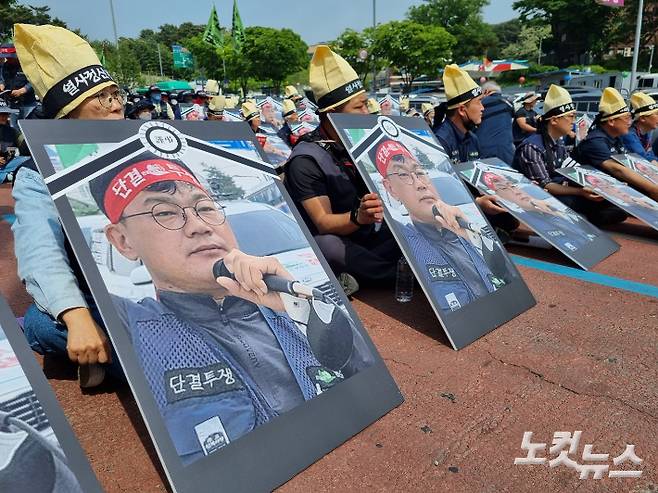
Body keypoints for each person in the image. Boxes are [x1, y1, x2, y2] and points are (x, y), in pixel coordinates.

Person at [87, 153, 373, 464]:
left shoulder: (290, 300)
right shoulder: (131, 326)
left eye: (206, 208)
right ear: (123, 241)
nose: (198, 226)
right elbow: (44, 314)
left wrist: (304, 307)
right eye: (164, 213)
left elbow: (369, 378)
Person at [11, 23, 125, 387]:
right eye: (103, 97)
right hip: (99, 300)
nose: (117, 104)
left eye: (116, 92)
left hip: (170, 293)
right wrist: (76, 318)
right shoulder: (36, 172)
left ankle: (119, 361)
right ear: (68, 113)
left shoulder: (147, 145)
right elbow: (39, 248)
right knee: (41, 324)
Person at [284, 45, 401, 293]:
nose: (367, 113)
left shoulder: (360, 144)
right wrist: (358, 217)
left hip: (369, 236)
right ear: (332, 113)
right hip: (338, 240)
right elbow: (324, 222)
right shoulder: (305, 159)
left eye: (366, 105)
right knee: (327, 246)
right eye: (359, 107)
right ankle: (398, 275)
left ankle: (378, 273)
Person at [374, 139, 511, 311]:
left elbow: (507, 274)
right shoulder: (404, 240)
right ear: (391, 189)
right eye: (402, 174)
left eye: (420, 172)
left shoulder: (467, 226)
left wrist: (469, 232)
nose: (420, 184)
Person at [515, 84, 627, 226]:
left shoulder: (559, 142)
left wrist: (608, 185)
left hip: (560, 190)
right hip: (537, 197)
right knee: (573, 204)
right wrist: (580, 192)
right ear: (554, 120)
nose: (573, 120)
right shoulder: (532, 146)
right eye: (571, 116)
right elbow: (546, 184)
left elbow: (575, 169)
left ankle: (585, 219)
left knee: (614, 208)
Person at [433, 64, 520, 237]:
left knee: (510, 219)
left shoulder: (472, 138)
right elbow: (439, 192)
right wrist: (478, 203)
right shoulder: (441, 140)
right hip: (449, 207)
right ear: (462, 110)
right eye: (479, 102)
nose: (483, 108)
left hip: (471, 200)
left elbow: (477, 174)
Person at [573, 87, 658, 202]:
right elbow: (617, 169)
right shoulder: (596, 141)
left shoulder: (616, 137)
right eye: (626, 118)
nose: (630, 122)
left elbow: (631, 163)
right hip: (587, 192)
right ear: (611, 121)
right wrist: (653, 188)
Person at [481, 171, 598, 252]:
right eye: (505, 188)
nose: (516, 191)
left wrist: (553, 212)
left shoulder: (546, 207)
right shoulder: (517, 216)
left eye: (513, 186)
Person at [475, 81, 515, 165]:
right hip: (506, 149)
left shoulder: (480, 104)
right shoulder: (508, 104)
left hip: (484, 149)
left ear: (485, 91)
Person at [0, 43, 37, 123]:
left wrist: (22, 90)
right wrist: (2, 85)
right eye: (6, 57)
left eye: (10, 57)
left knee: (29, 128)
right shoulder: (5, 66)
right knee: (14, 128)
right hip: (12, 105)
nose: (8, 59)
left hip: (28, 104)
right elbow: (2, 79)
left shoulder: (26, 65)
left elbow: (34, 81)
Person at [622, 92, 658, 163]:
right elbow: (645, 159)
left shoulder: (645, 132)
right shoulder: (629, 135)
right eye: (656, 114)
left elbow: (651, 156)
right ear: (643, 118)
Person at [0, 99, 19, 168]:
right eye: (1, 114)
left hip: (7, 166)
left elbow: (11, 152)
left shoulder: (11, 132)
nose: (5, 117)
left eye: (6, 114)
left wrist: (6, 159)